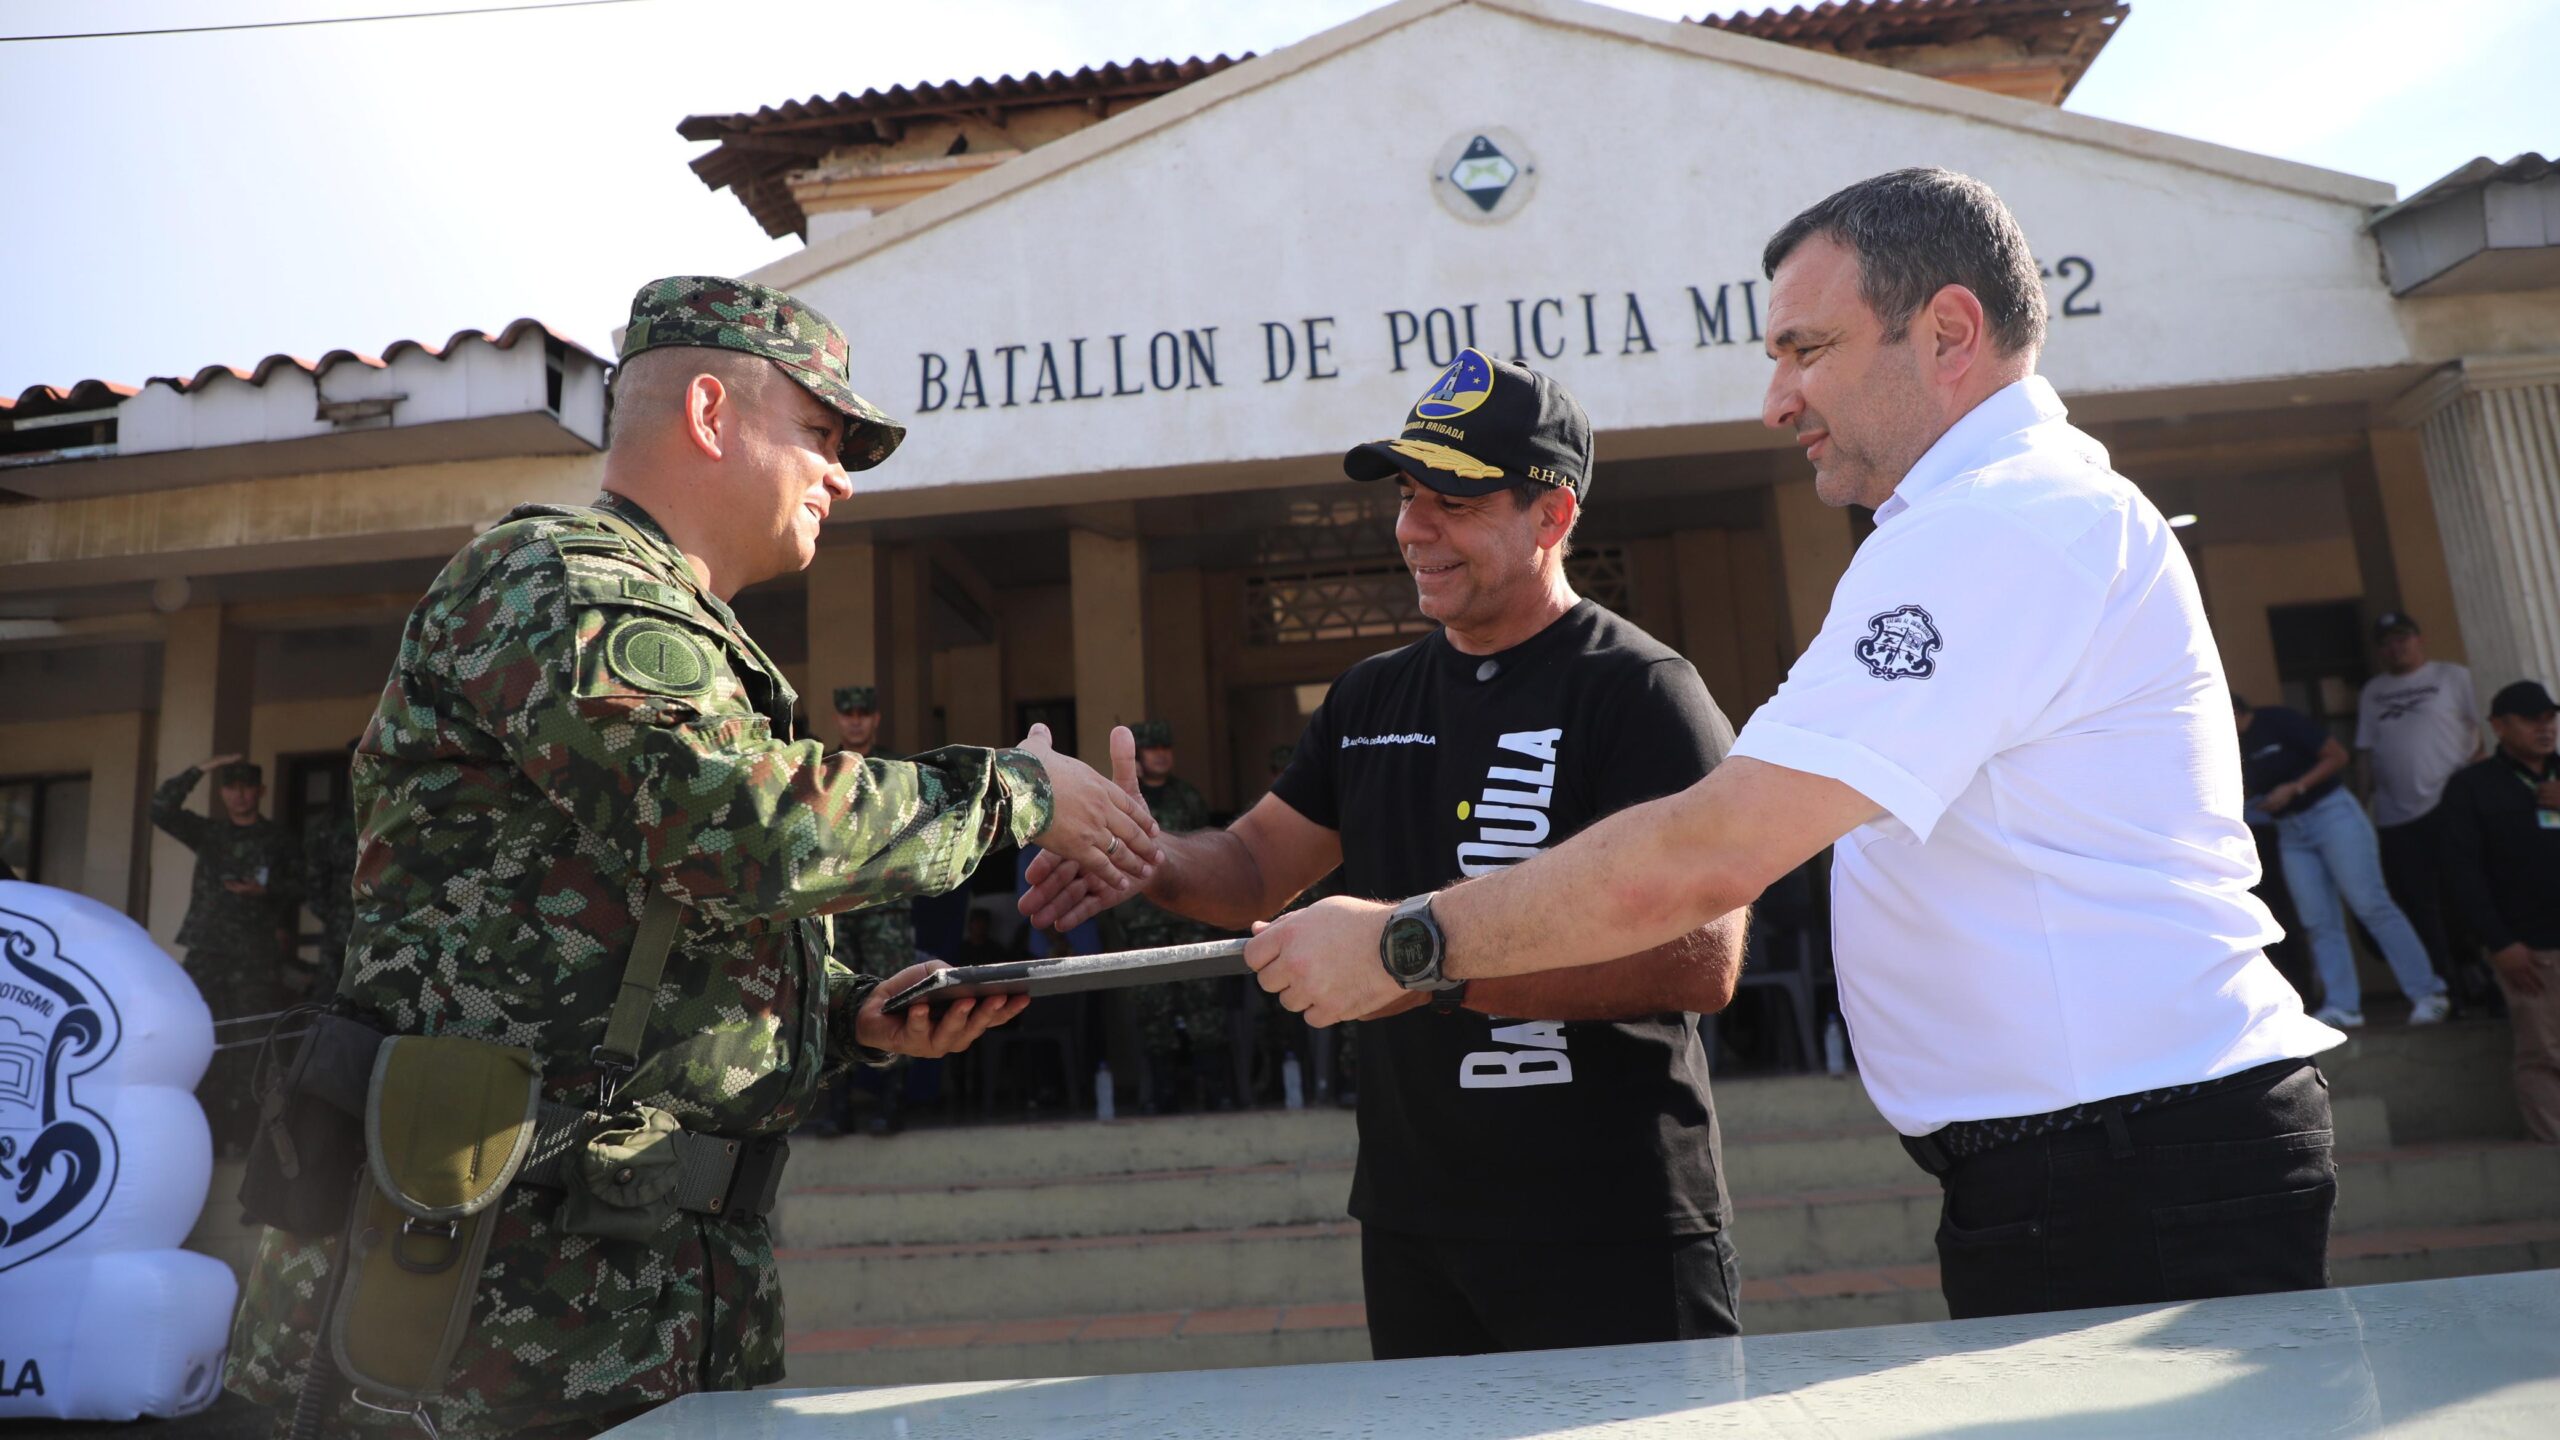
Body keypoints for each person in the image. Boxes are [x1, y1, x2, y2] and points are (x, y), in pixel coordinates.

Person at [1240, 169, 2350, 1323]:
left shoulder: (2002, 524)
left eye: (1805, 349)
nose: (1777, 400)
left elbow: (1709, 855)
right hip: (2103, 1161)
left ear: (1949, 332)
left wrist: (1410, 946)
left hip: (2133, 1164)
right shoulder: (1980, 521)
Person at [223, 274, 1162, 1440]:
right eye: (818, 434)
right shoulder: (560, 580)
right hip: (484, 1319)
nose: (841, 473)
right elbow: (719, 821)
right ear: (711, 415)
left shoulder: (683, 630)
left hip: (644, 1292)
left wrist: (851, 1014)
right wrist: (1016, 793)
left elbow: (661, 928)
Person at [1025, 348, 1748, 1358]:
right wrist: (1146, 855)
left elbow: (1700, 961)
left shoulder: (1639, 691)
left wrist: (1426, 967)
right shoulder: (1370, 696)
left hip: (1612, 1221)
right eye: (1409, 496)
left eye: (1451, 499)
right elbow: (1247, 871)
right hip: (1418, 1224)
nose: (1412, 529)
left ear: (1552, 515)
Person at [2236, 693, 2452, 1027]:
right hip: (2289, 831)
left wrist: (2294, 788)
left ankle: (2429, 994)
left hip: (2332, 814)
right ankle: (2344, 1007)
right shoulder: (2232, 745)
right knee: (2318, 920)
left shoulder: (2276, 720)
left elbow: (2337, 756)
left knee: (2371, 905)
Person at [149, 755, 302, 1156]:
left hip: (254, 954)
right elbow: (160, 809)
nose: (239, 795)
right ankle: (202, 1136)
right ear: (222, 792)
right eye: (231, 788)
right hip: (208, 951)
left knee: (251, 1044)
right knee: (200, 1039)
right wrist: (200, 767)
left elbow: (304, 886)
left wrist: (266, 892)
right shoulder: (210, 833)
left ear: (261, 791)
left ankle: (248, 1140)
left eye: (247, 787)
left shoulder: (279, 839)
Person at [2441, 680, 2560, 1141]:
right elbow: (2461, 875)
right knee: (2544, 1054)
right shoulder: (2471, 787)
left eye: (2549, 718)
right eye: (2531, 719)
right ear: (2498, 726)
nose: (2544, 728)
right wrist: (2500, 942)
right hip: (2530, 951)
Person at [2355, 612, 2490, 1005]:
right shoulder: (2373, 691)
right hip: (2395, 818)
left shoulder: (2453, 676)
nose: (2395, 648)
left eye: (2402, 639)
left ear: (2420, 639)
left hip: (2448, 806)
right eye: (2386, 643)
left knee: (2461, 895)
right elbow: (2365, 752)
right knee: (2416, 903)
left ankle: (2477, 975)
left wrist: (2472, 783)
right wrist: (2361, 805)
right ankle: (2444, 984)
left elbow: (2487, 728)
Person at [819, 683, 926, 1135]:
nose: (856, 720)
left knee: (892, 1002)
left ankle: (890, 1105)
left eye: (864, 712)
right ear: (838, 719)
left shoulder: (893, 771)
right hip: (838, 907)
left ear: (876, 718)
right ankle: (838, 1108)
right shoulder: (824, 772)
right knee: (834, 1003)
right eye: (848, 713)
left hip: (884, 909)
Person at [1115, 719, 1235, 1111]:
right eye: (1152, 749)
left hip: (1189, 918)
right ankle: (1162, 1096)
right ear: (1138, 758)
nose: (1162, 754)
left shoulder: (1188, 797)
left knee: (1205, 1008)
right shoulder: (1124, 802)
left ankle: (1217, 1093)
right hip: (1145, 923)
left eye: (1166, 747)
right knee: (1155, 1012)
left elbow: (1207, 853)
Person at [302, 741, 363, 996]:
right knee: (329, 1003)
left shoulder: (402, 814)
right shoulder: (333, 822)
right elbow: (313, 879)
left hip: (392, 933)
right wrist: (337, 918)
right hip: (339, 936)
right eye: (358, 765)